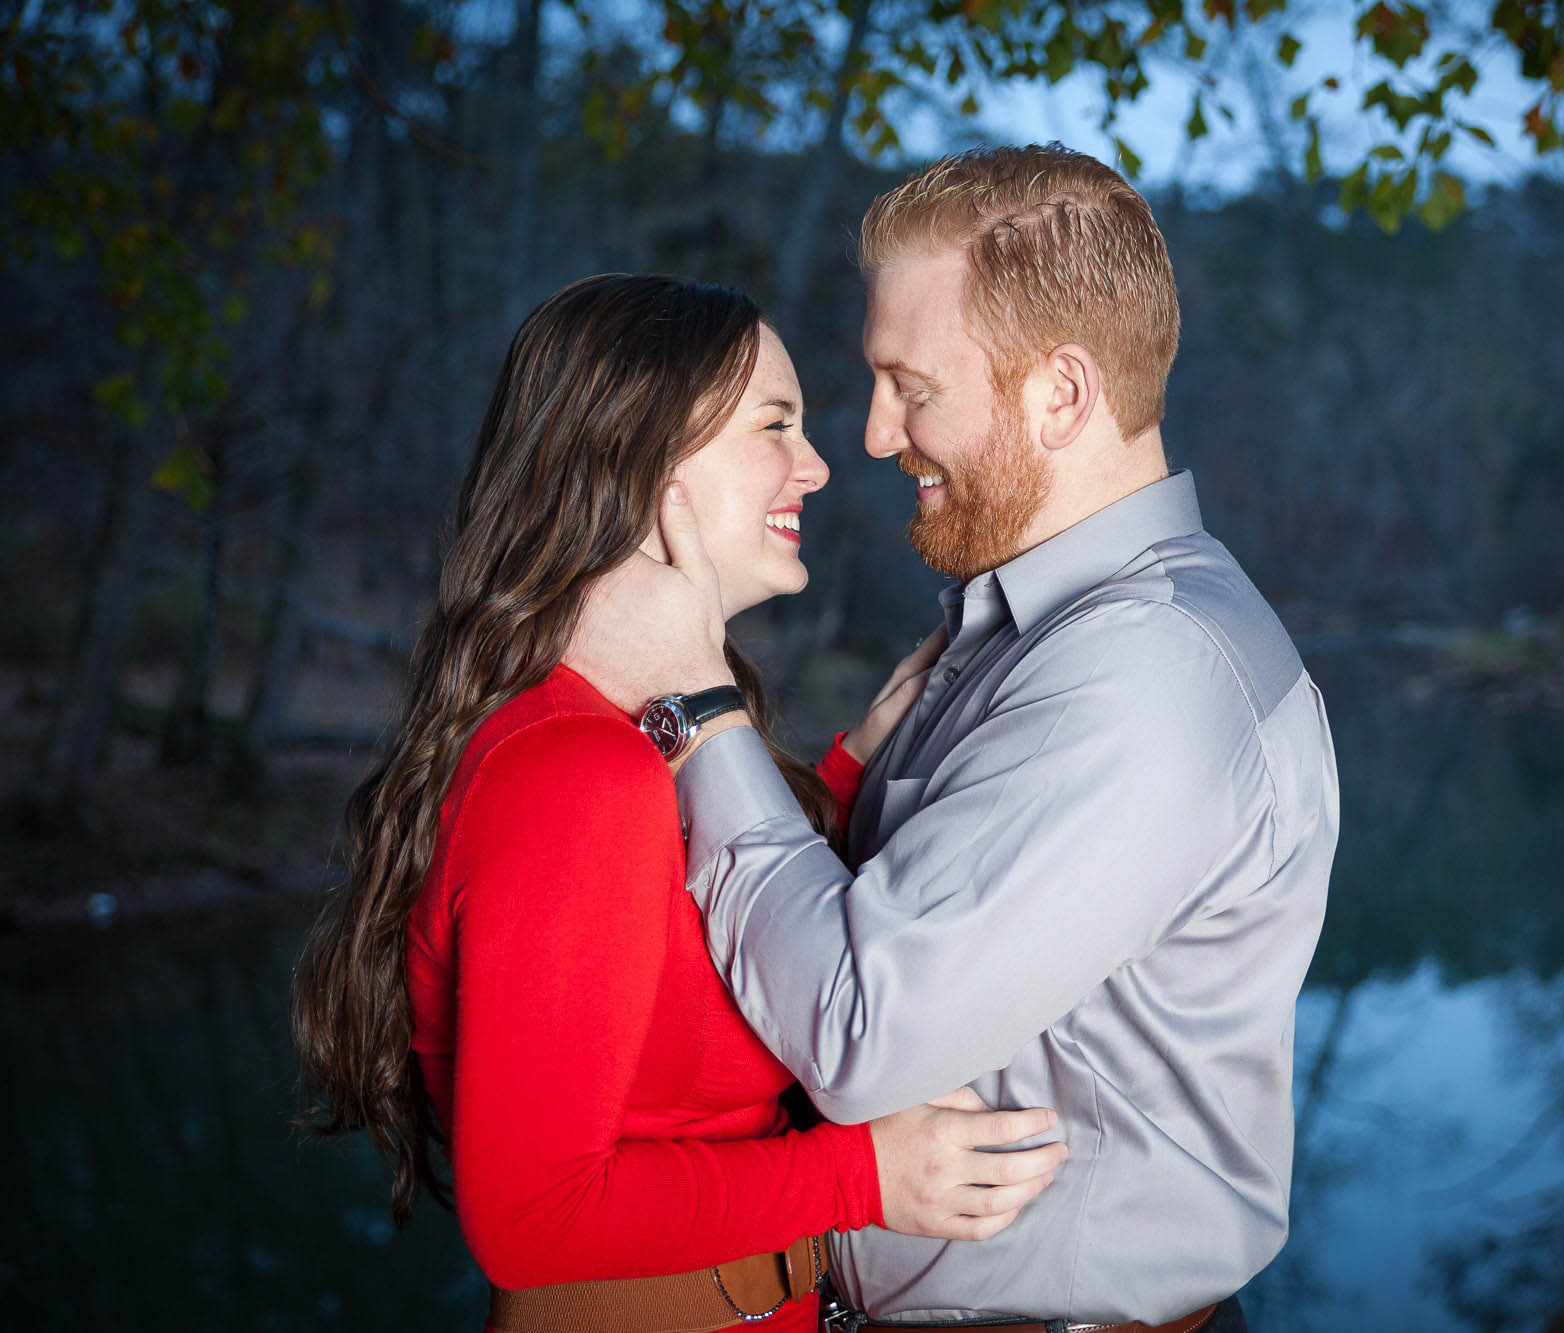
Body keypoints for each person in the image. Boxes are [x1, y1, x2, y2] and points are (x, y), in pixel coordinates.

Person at [566, 146, 1341, 1332]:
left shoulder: (1148, 674)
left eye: (911, 387)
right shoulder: (1028, 633)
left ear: (1059, 396)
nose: (876, 436)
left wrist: (694, 705)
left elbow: (859, 1030)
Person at [292, 274, 1068, 1333]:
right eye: (775, 425)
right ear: (642, 454)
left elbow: (670, 968)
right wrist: (867, 1174)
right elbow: (531, 1218)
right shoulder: (577, 774)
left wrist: (842, 780)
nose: (819, 465)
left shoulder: (623, 743)